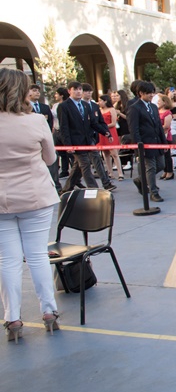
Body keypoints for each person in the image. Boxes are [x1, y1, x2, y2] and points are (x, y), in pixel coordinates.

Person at [0, 68, 61, 342]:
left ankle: (12, 317)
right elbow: (50, 159)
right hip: (36, 197)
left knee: (8, 260)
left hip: (2, 201)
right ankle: (49, 311)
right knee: (37, 256)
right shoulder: (36, 120)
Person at [58, 81, 115, 193]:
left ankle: (67, 188)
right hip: (75, 141)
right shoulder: (64, 106)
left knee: (80, 165)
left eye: (80, 89)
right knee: (85, 164)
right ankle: (94, 189)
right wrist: (68, 145)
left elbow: (93, 123)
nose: (78, 92)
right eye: (75, 89)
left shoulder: (86, 105)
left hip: (88, 140)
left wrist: (105, 132)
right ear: (69, 91)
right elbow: (64, 127)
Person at [127, 81, 168, 203]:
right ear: (141, 93)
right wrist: (139, 146)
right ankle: (153, 192)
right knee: (151, 167)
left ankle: (141, 179)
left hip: (156, 142)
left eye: (152, 93)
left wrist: (164, 142)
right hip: (145, 143)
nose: (151, 95)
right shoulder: (134, 108)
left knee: (161, 165)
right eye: (148, 93)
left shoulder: (153, 107)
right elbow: (134, 129)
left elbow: (159, 126)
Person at [97, 95, 123, 181]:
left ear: (105, 101)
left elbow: (113, 123)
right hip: (102, 133)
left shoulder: (112, 109)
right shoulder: (99, 110)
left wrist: (102, 127)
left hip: (111, 131)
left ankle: (120, 173)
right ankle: (110, 172)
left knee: (114, 153)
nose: (99, 102)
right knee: (105, 153)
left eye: (100, 100)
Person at [156, 95, 174, 180]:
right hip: (158, 136)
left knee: (167, 155)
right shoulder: (157, 111)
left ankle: (169, 171)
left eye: (159, 100)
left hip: (165, 136)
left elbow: (166, 126)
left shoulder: (168, 113)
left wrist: (157, 129)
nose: (158, 102)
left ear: (164, 102)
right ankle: (165, 170)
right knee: (161, 155)